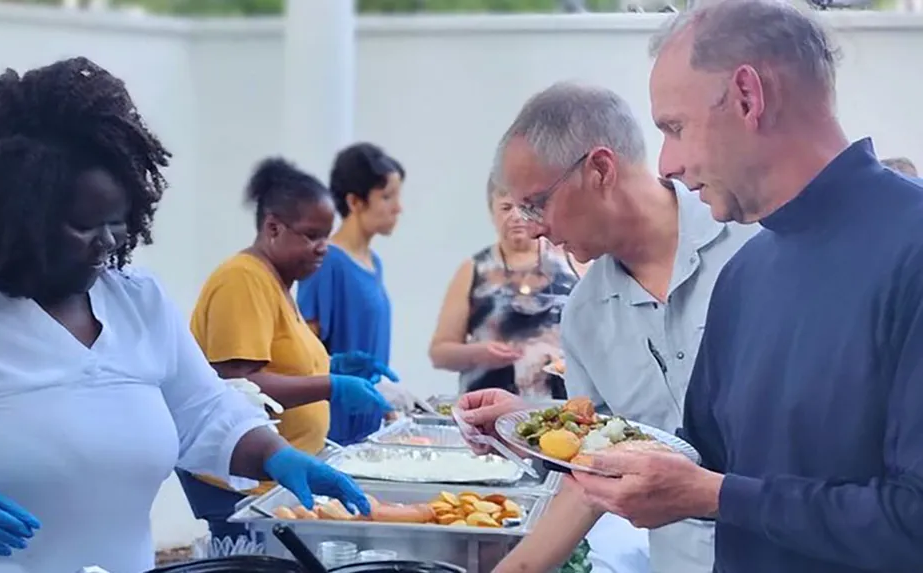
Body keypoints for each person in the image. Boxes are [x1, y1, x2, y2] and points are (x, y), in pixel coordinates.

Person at [0, 58, 370, 573]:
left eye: (117, 222)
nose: (108, 242)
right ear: (16, 217)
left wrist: (274, 454)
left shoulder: (138, 300)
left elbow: (202, 412)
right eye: (84, 225)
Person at [563, 2, 923, 572]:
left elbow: (914, 520)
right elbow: (701, 460)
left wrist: (716, 494)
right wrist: (545, 431)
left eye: (675, 129)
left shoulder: (912, 251)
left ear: (749, 97)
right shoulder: (746, 273)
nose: (667, 163)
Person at [459, 82, 756, 573]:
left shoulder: (753, 244)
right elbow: (591, 474)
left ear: (600, 169)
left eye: (536, 203)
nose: (532, 228)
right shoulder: (585, 314)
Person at [176, 157, 393, 545]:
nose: (323, 248)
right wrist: (331, 385)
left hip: (271, 482)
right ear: (273, 227)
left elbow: (280, 362)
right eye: (312, 236)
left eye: (327, 235)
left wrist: (338, 365)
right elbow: (240, 385)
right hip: (239, 485)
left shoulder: (278, 283)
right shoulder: (242, 279)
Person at [429, 174, 583, 400]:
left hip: (560, 407)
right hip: (487, 406)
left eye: (523, 207)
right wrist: (478, 353)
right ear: (492, 212)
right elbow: (440, 353)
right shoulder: (473, 270)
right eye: (505, 207)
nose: (516, 216)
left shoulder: (572, 262)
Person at [297, 143, 419, 425]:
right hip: (335, 423)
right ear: (354, 202)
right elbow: (303, 356)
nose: (398, 208)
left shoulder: (373, 263)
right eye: (387, 197)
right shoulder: (326, 263)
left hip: (369, 421)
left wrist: (385, 404)